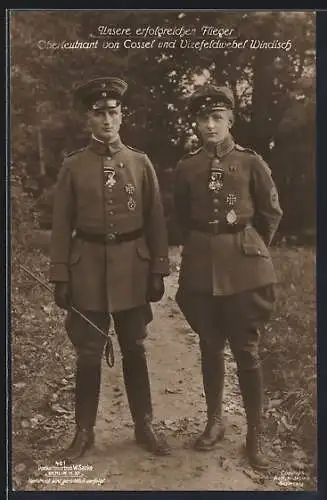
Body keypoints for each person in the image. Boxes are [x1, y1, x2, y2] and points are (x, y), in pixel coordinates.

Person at [49, 76, 171, 460]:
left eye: (113, 112)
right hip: (86, 268)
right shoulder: (73, 166)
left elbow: (155, 220)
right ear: (89, 117)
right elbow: (60, 223)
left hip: (133, 268)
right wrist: (61, 275)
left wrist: (158, 269)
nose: (106, 120)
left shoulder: (139, 162)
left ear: (122, 116)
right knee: (87, 353)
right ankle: (83, 432)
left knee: (135, 347)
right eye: (99, 113)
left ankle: (144, 426)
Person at [174, 84, 283, 470]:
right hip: (202, 268)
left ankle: (255, 434)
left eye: (217, 117)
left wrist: (250, 245)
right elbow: (182, 216)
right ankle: (215, 421)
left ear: (230, 120)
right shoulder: (187, 166)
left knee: (247, 351)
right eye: (203, 119)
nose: (210, 125)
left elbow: (271, 212)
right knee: (209, 345)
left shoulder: (251, 162)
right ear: (197, 124)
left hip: (245, 267)